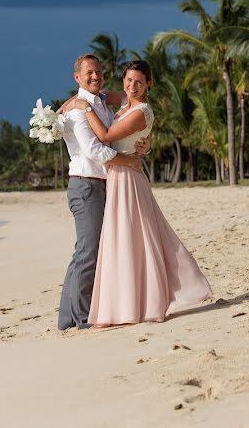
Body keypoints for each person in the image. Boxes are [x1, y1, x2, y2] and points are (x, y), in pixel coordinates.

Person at [71, 59, 212, 326]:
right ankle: (125, 304)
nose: (132, 86)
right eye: (128, 80)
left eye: (138, 81)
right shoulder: (126, 101)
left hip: (128, 179)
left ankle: (144, 303)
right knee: (125, 240)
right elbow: (92, 92)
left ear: (149, 83)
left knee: (134, 239)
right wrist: (71, 103)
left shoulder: (140, 111)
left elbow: (105, 135)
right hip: (117, 176)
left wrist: (83, 108)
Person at [57, 54, 147, 331]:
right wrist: (128, 161)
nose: (95, 77)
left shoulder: (100, 102)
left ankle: (67, 318)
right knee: (88, 252)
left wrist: (141, 146)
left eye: (99, 72)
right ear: (76, 77)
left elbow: (130, 104)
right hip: (86, 184)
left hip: (100, 183)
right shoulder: (77, 110)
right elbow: (94, 150)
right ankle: (82, 318)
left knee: (86, 251)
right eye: (89, 73)